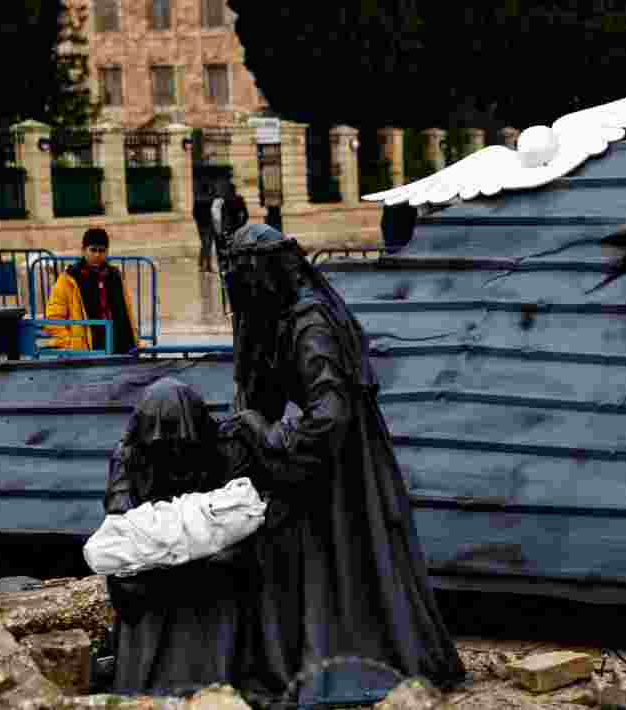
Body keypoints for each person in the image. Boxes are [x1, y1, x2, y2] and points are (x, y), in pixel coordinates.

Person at [212, 198, 466, 705]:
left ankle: (334, 659)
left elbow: (329, 414)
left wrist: (267, 437)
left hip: (340, 463)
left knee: (338, 558)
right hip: (326, 455)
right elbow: (266, 388)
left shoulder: (311, 324)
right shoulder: (285, 313)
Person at [103, 378, 260, 696]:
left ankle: (214, 679)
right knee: (129, 576)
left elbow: (241, 511)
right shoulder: (129, 456)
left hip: (211, 558)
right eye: (160, 438)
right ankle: (143, 683)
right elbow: (119, 514)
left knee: (228, 566)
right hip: (153, 561)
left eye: (178, 434)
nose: (170, 446)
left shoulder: (224, 450)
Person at [45, 228, 138, 355]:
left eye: (102, 251)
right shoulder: (68, 279)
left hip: (120, 348)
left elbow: (127, 313)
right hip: (88, 353)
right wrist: (72, 344)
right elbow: (53, 319)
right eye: (93, 250)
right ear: (83, 250)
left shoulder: (115, 275)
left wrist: (135, 340)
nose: (97, 255)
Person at [193, 184, 216, 272]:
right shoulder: (211, 200)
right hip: (209, 225)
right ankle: (207, 265)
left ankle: (202, 264)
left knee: (205, 245)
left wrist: (199, 222)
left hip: (202, 225)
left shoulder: (198, 200)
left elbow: (194, 214)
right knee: (208, 245)